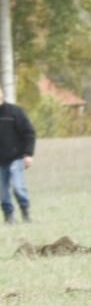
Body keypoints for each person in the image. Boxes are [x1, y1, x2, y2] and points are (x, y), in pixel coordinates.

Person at [0, 83, 35, 225]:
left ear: (2, 94)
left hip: (16, 158)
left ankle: (25, 211)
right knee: (2, 192)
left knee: (17, 187)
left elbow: (29, 133)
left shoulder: (15, 112)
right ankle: (9, 216)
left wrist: (28, 154)